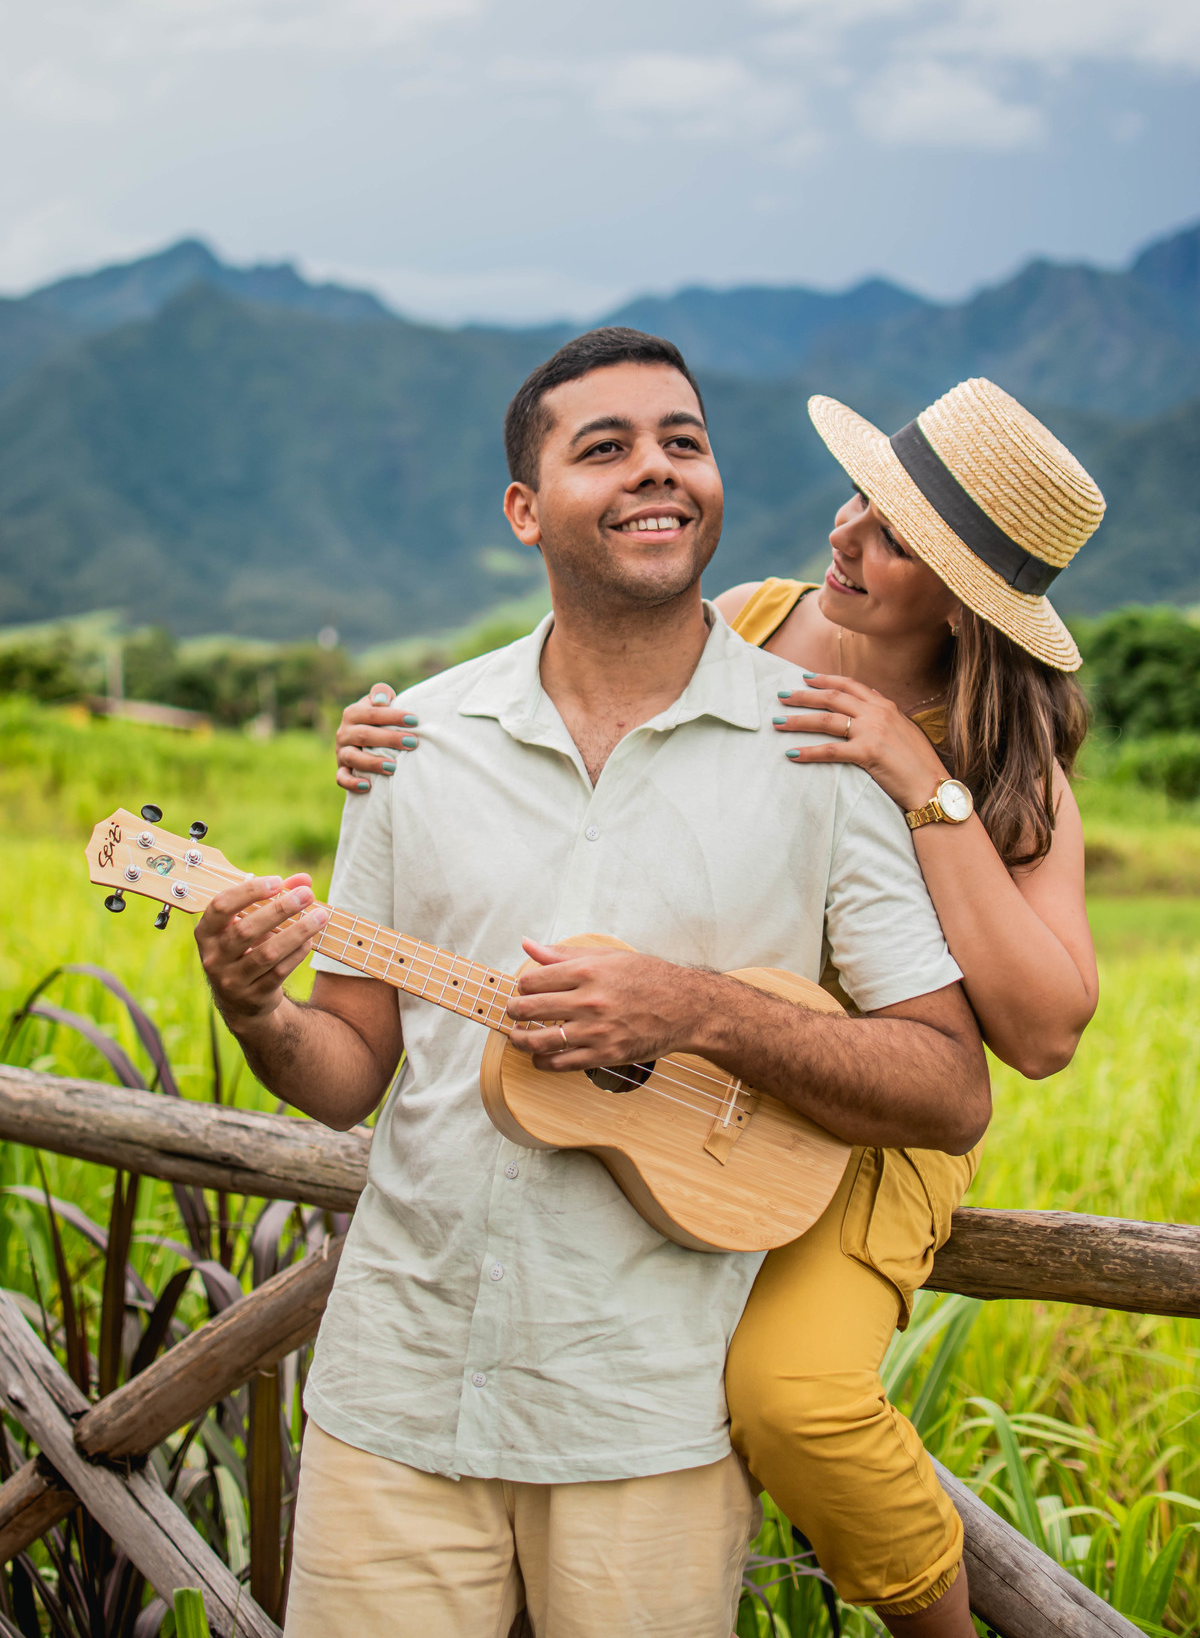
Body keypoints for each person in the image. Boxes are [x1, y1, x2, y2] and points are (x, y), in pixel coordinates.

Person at [196, 326, 988, 1638]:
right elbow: (343, 1072)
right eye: (605, 448)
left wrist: (700, 1011)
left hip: (651, 1421)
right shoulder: (412, 744)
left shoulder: (825, 754)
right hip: (397, 1397)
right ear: (525, 510)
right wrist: (251, 1006)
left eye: (684, 441)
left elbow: (950, 1084)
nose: (657, 471)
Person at [334, 369, 1105, 1636]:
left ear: (969, 605)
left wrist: (921, 779)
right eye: (862, 499)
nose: (847, 534)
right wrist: (408, 741)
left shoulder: (1002, 759)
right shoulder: (746, 621)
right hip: (682, 1087)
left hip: (871, 1113)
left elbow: (1038, 1033)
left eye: (898, 539)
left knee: (790, 1393)